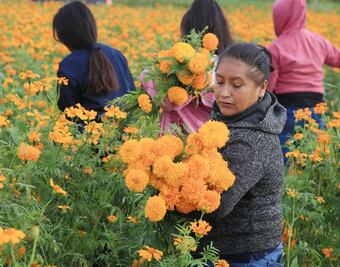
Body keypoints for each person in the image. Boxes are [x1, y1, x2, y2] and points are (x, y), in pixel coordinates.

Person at [201, 42, 286, 266]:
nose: (224, 93)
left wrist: (168, 194)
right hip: (226, 250)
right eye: (219, 82)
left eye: (236, 85)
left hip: (246, 256)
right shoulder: (229, 119)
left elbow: (215, 207)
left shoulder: (252, 142)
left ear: (261, 88)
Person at [140, 0, 233, 133]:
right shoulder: (230, 67)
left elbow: (145, 77)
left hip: (175, 140)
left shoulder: (177, 67)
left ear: (187, 31)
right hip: (215, 140)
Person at [268, 0, 340, 158]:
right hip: (316, 107)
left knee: (284, 151)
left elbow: (270, 84)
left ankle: (287, 179)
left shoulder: (276, 47)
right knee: (312, 150)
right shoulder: (318, 41)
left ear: (278, 18)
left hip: (287, 108)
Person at [53, 1, 134, 120]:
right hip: (126, 132)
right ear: (92, 26)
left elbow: (69, 111)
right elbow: (131, 95)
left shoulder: (69, 65)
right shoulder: (116, 54)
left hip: (89, 135)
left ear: (64, 35)